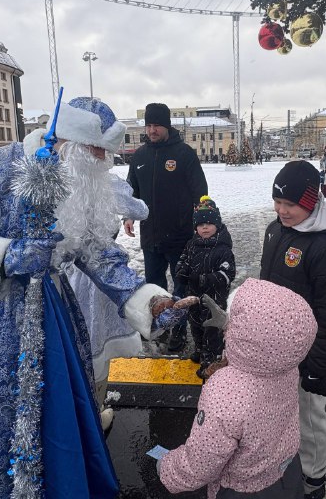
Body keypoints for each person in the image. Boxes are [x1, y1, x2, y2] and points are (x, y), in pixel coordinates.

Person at [0, 96, 173, 498]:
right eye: (97, 151)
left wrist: (145, 299)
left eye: (108, 153)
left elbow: (94, 250)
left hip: (52, 320)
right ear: (67, 141)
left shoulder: (82, 184)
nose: (105, 162)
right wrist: (7, 256)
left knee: (57, 424)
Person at [158, 278, 316, 498]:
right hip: (285, 471)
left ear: (245, 332)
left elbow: (203, 462)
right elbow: (267, 343)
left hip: (241, 488)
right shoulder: (286, 367)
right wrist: (228, 324)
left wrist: (169, 469)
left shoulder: (226, 393)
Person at [260, 160, 326, 499]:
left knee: (309, 418)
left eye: (291, 204)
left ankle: (314, 481)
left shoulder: (325, 249)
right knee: (278, 410)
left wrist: (318, 368)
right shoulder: (275, 231)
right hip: (275, 351)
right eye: (278, 202)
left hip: (308, 357)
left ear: (311, 203)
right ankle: (283, 461)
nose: (282, 210)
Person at [67, 173, 150, 431]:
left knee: (75, 347)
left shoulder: (53, 177)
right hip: (99, 277)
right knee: (95, 347)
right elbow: (140, 209)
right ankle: (93, 415)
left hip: (70, 277)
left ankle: (82, 415)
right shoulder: (101, 181)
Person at [124, 102, 208, 352]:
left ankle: (179, 331)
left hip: (180, 236)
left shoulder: (184, 154)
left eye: (156, 125)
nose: (151, 130)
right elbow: (131, 193)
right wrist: (128, 216)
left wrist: (200, 220)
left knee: (181, 287)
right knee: (154, 287)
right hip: (150, 238)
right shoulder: (139, 156)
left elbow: (200, 192)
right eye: (148, 125)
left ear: (166, 126)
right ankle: (159, 329)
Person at [175, 195, 236, 379]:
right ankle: (200, 349)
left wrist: (204, 279)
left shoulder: (223, 249)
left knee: (212, 331)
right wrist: (182, 272)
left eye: (209, 223)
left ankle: (210, 360)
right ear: (196, 228)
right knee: (196, 326)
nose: (205, 227)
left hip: (214, 301)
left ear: (217, 225)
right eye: (201, 225)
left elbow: (227, 274)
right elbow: (181, 262)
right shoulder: (191, 245)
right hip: (194, 298)